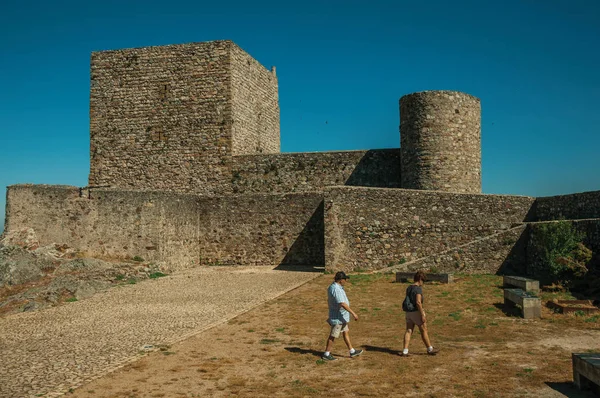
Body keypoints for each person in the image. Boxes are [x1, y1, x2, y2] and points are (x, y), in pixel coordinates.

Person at [322, 271, 363, 361]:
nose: (346, 281)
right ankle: (326, 353)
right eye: (345, 279)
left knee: (345, 332)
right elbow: (342, 304)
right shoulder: (336, 289)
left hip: (342, 317)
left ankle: (352, 351)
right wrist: (353, 313)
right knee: (333, 335)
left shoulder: (337, 287)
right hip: (337, 317)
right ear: (341, 280)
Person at [400, 270, 439, 356]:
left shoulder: (409, 287)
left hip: (408, 312)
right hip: (416, 312)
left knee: (409, 330)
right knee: (423, 329)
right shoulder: (418, 289)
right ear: (420, 279)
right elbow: (418, 302)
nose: (423, 283)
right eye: (423, 281)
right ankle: (429, 349)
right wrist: (422, 314)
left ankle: (405, 351)